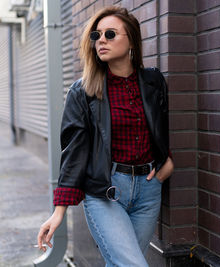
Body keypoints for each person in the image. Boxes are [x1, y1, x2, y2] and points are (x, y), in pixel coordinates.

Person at [37, 6, 174, 267]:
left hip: (148, 190)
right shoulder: (83, 91)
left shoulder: (154, 81)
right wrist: (59, 212)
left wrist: (167, 162)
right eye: (96, 35)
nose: (101, 39)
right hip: (106, 191)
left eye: (110, 34)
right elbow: (74, 153)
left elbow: (163, 127)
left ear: (132, 40)